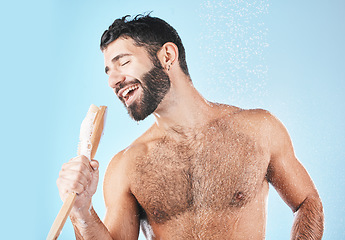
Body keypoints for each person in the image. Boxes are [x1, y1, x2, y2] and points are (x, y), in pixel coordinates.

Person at [57, 14, 324, 239]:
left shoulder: (258, 129)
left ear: (167, 56)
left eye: (123, 62)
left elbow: (307, 202)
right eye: (108, 72)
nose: (113, 80)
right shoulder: (127, 165)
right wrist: (81, 209)